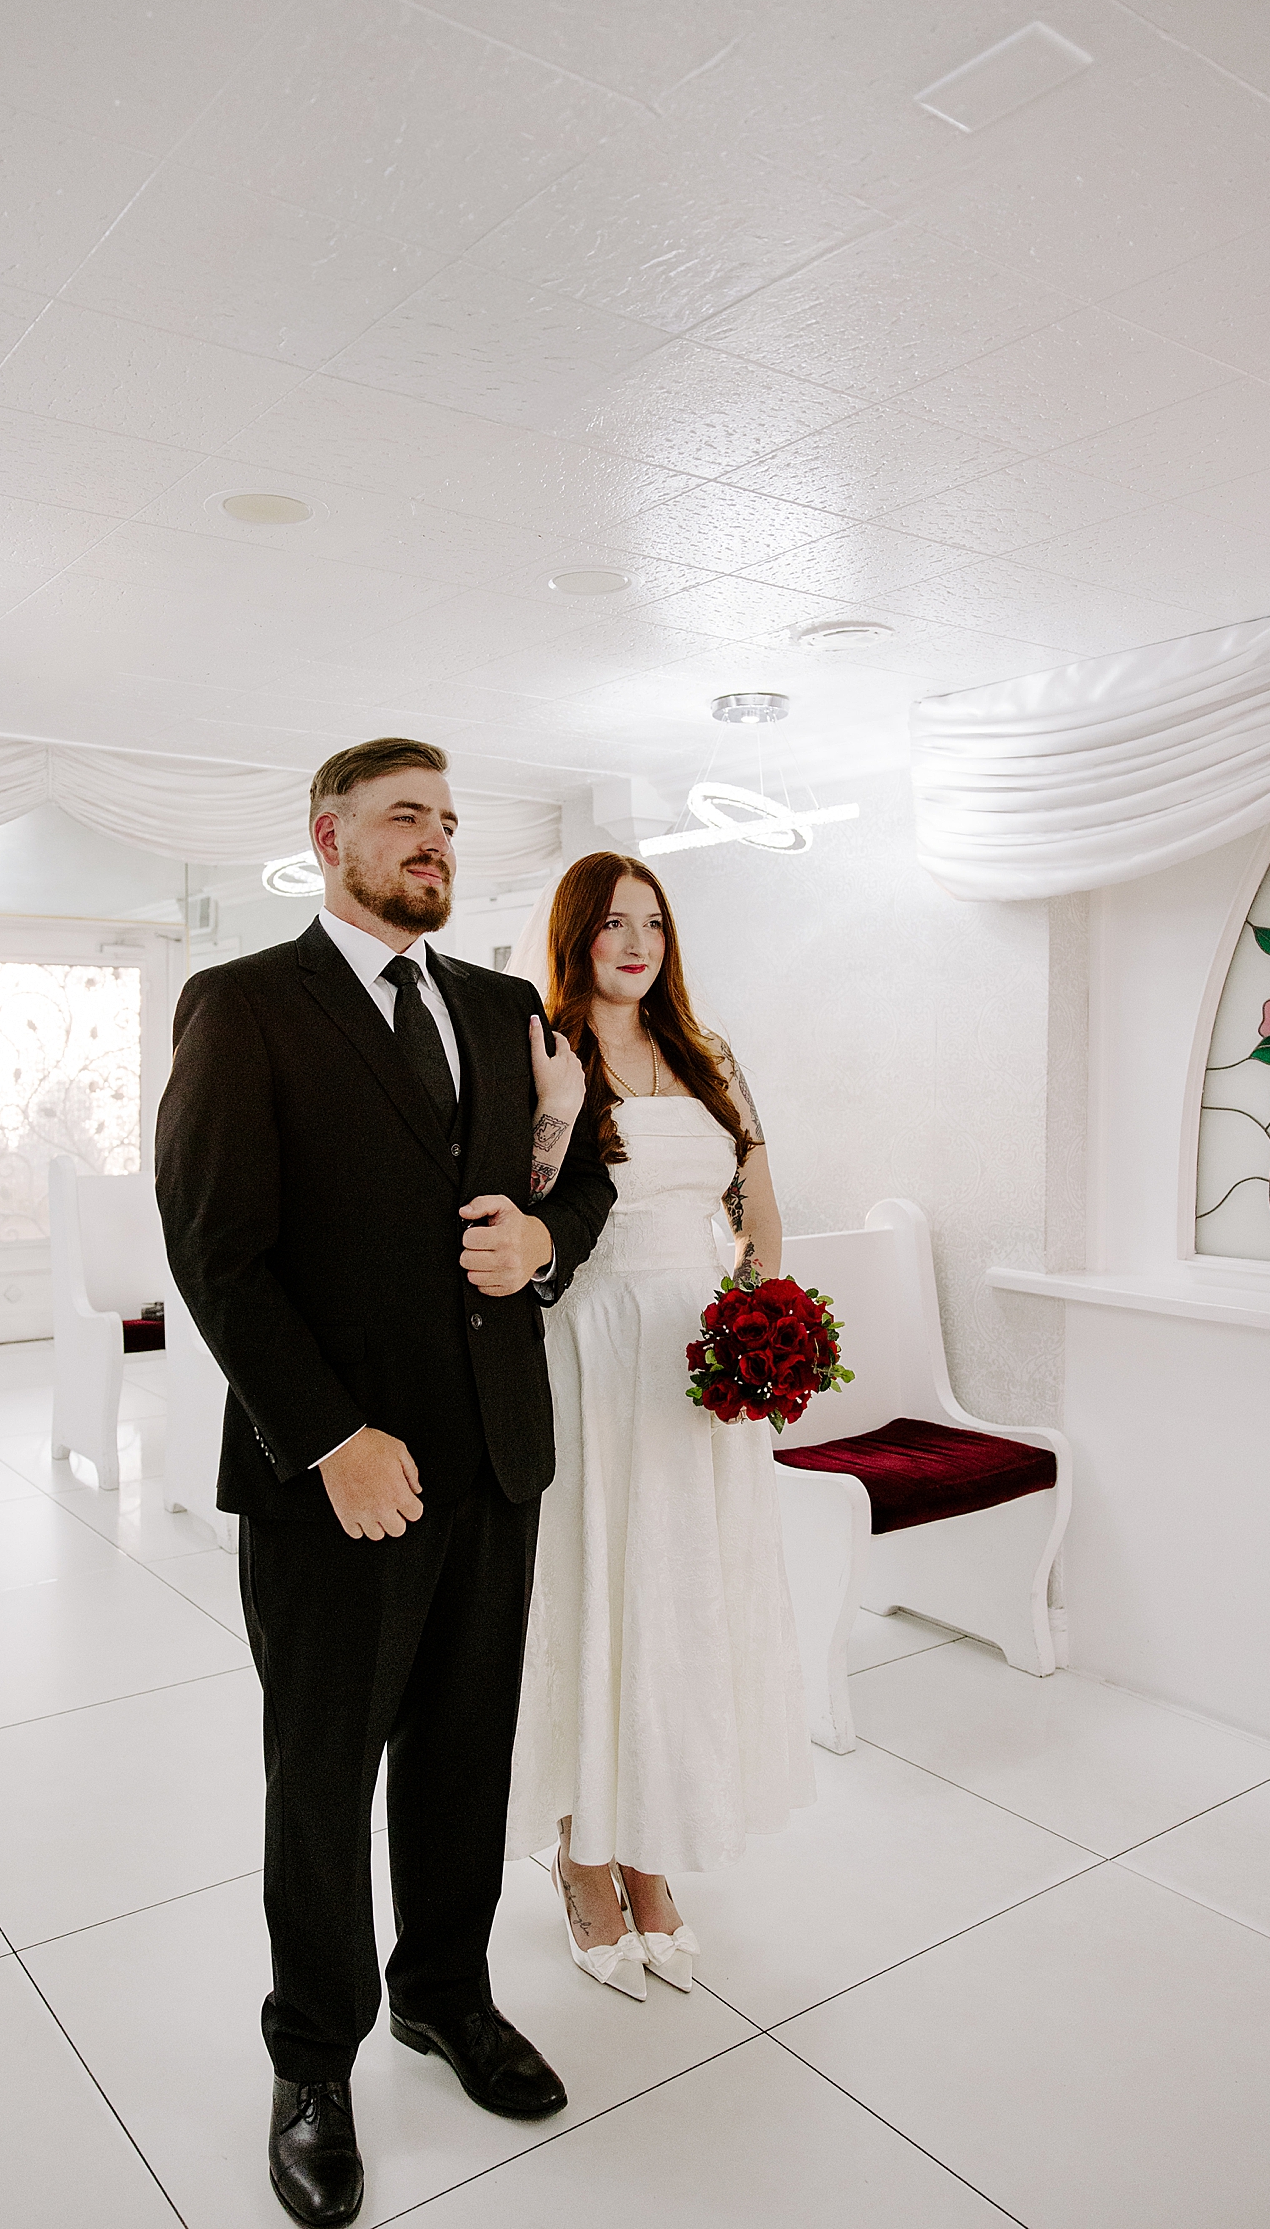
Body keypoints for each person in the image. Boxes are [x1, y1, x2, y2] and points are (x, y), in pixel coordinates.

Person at [155, 739, 613, 2228]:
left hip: (494, 1456)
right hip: (333, 1479)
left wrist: (545, 1248)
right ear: (326, 835)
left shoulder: (499, 1007)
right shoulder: (244, 1007)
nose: (437, 840)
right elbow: (218, 1249)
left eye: (450, 822)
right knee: (323, 1776)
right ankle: (314, 2062)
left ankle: (445, 1996)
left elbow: (581, 1175)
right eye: (406, 817)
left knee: (466, 1753)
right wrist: (327, 1435)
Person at [505, 852, 814, 2000]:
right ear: (577, 934)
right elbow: (531, 1206)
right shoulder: (545, 1046)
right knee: (599, 1593)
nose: (636, 943)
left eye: (654, 923)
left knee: (681, 1598)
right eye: (613, 924)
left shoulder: (709, 1053)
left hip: (702, 1362)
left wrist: (759, 1321)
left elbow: (759, 1210)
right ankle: (583, 1855)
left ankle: (648, 1850)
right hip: (593, 1344)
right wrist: (553, 1116)